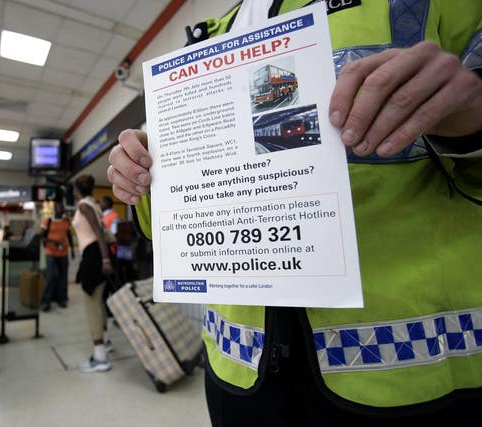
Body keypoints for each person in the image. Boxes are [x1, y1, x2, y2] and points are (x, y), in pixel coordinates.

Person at [108, 1, 482, 425]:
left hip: (416, 377)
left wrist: (472, 118)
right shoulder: (207, 39)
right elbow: (164, 231)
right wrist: (142, 179)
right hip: (238, 373)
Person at [71, 175, 115, 373]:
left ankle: (100, 358)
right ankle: (104, 342)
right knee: (98, 301)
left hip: (93, 255)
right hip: (97, 255)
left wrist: (105, 259)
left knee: (91, 305)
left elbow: (98, 232)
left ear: (77, 190)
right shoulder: (95, 205)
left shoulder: (83, 206)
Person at [40, 202, 74, 311]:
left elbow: (69, 235)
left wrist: (72, 250)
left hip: (63, 253)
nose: (60, 210)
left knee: (63, 277)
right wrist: (53, 242)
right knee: (50, 276)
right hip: (50, 252)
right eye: (58, 208)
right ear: (55, 209)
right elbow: (42, 236)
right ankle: (45, 301)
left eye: (62, 208)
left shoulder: (66, 222)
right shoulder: (48, 221)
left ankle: (62, 299)